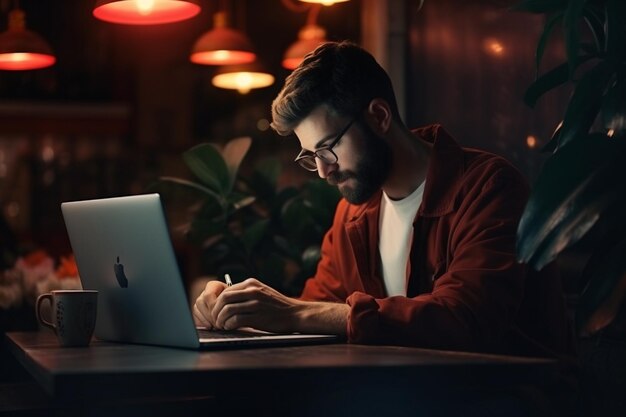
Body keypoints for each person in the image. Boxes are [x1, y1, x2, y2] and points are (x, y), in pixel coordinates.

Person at [193, 41, 572, 358]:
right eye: (311, 158)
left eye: (328, 148)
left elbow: (467, 319)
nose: (324, 171)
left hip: (507, 394)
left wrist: (298, 314)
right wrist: (244, 313)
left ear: (378, 115)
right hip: (404, 393)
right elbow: (317, 307)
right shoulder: (352, 214)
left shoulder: (489, 187)